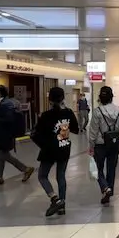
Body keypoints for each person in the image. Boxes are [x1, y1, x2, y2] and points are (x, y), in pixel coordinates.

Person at [33, 87, 79, 217]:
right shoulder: (69, 112)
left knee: (42, 175)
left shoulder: (46, 115)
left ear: (50, 100)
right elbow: (76, 129)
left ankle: (55, 198)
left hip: (49, 150)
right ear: (63, 98)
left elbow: (36, 133)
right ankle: (62, 206)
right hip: (64, 147)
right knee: (61, 176)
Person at [0, 85, 34, 187]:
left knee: (1, 154)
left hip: (5, 133)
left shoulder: (7, 104)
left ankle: (25, 169)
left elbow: (10, 119)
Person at [87, 86, 119, 205]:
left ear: (100, 98)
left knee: (98, 168)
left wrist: (91, 145)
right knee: (111, 168)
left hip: (100, 144)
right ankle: (110, 189)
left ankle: (105, 187)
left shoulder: (98, 111)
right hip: (114, 143)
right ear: (111, 97)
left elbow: (93, 131)